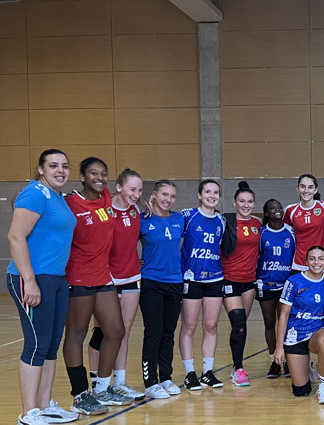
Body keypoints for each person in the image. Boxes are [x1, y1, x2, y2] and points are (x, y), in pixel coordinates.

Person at [7, 149, 79, 425]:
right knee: (36, 346)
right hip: (32, 278)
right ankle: (28, 415)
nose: (60, 170)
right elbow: (15, 236)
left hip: (56, 279)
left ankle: (44, 405)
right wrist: (30, 280)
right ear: (40, 169)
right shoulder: (35, 193)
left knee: (50, 345)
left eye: (64, 165)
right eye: (53, 166)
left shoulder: (58, 198)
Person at [63, 157, 132, 413]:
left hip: (103, 277)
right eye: (94, 173)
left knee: (115, 330)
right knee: (76, 336)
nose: (100, 178)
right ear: (82, 176)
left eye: (104, 173)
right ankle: (80, 395)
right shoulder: (70, 202)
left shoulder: (105, 200)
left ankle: (102, 389)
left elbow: (129, 200)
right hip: (78, 278)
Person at [86, 168, 146, 402]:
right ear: (119, 187)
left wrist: (140, 200)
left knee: (123, 331)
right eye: (132, 189)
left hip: (131, 277)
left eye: (140, 190)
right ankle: (97, 384)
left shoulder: (137, 210)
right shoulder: (104, 206)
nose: (136, 194)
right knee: (102, 331)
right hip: (105, 279)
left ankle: (119, 383)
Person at [139, 180, 186, 399]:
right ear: (154, 195)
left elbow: (178, 248)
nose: (168, 200)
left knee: (168, 333)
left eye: (172, 196)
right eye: (164, 195)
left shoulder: (179, 219)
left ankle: (166, 377)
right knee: (154, 331)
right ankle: (150, 382)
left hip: (175, 282)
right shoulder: (143, 219)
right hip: (151, 282)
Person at [180, 179, 227, 390]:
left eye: (215, 192)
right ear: (199, 194)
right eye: (207, 191)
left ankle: (207, 372)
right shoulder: (188, 216)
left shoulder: (221, 221)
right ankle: (189, 373)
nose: (211, 195)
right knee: (189, 326)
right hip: (192, 278)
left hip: (215, 278)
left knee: (211, 325)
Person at [274, 246, 324, 404]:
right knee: (301, 391)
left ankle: (323, 386)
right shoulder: (293, 282)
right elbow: (283, 315)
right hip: (295, 336)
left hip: (317, 334)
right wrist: (279, 347)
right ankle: (308, 368)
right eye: (312, 258)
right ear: (306, 261)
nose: (316, 262)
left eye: (321, 258)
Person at [221, 181, 263, 386]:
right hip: (229, 279)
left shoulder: (257, 224)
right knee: (237, 322)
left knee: (241, 326)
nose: (246, 205)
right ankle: (239, 369)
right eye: (242, 201)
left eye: (249, 201)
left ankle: (234, 364)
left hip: (249, 282)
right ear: (235, 202)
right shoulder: (225, 222)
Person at [257, 199, 296, 379]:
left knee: (285, 323)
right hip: (265, 283)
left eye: (279, 207)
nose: (277, 210)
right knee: (269, 322)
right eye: (272, 208)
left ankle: (287, 360)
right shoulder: (262, 233)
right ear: (266, 213)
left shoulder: (290, 232)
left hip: (285, 284)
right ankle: (274, 360)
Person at [284, 174, 324, 272]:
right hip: (299, 264)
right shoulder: (290, 210)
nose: (306, 190)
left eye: (310, 187)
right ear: (297, 189)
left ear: (315, 190)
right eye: (302, 186)